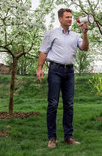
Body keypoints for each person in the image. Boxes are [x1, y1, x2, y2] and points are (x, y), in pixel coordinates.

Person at [37, 8, 89, 149]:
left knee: (69, 105)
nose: (70, 19)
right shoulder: (52, 34)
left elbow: (84, 48)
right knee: (53, 104)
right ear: (60, 19)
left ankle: (68, 137)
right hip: (55, 71)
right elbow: (44, 51)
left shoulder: (75, 35)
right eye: (67, 17)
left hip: (69, 72)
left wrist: (84, 34)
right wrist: (40, 68)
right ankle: (52, 138)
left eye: (71, 17)